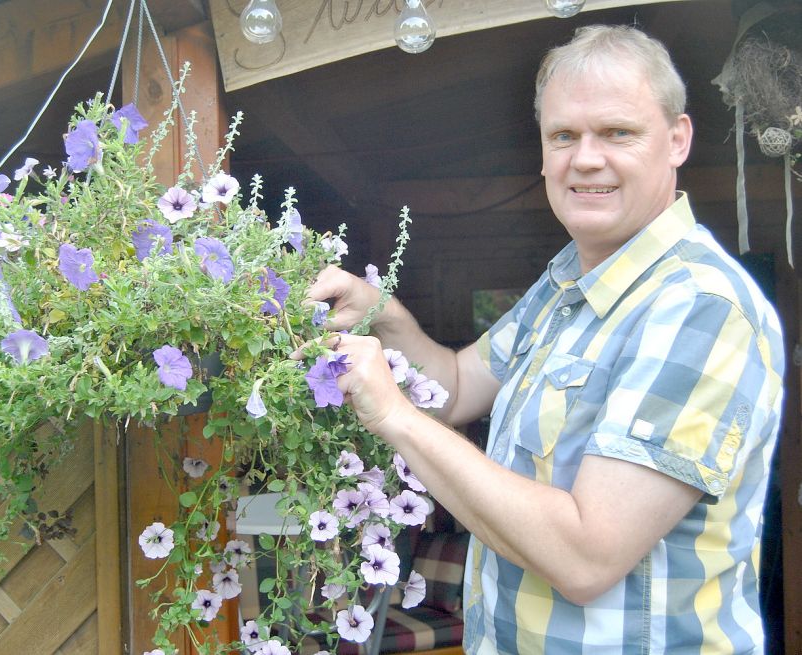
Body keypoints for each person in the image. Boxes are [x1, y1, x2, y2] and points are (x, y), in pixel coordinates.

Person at [302, 25, 785, 654]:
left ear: (677, 140)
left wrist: (392, 414)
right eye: (564, 136)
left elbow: (587, 557)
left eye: (617, 132)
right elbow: (452, 387)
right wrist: (384, 314)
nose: (585, 158)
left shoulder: (697, 307)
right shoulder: (566, 285)